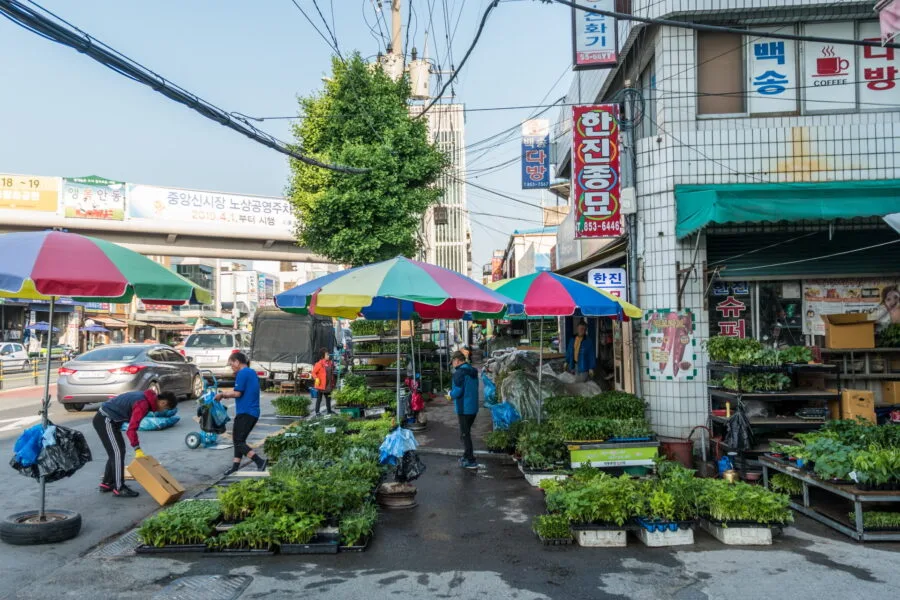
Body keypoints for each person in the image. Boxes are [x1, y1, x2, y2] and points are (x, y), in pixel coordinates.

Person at [93, 388, 176, 497]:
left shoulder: (146, 397)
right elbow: (131, 429)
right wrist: (137, 448)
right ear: (163, 402)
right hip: (106, 420)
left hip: (110, 420)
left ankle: (107, 483)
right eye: (165, 408)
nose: (162, 411)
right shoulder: (143, 404)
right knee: (117, 452)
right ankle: (119, 488)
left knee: (117, 451)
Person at [216, 352, 266, 475]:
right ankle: (235, 467)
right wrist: (226, 394)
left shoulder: (242, 373)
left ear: (237, 362)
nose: (231, 366)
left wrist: (222, 395)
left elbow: (238, 393)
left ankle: (259, 461)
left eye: (231, 363)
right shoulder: (251, 372)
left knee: (238, 441)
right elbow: (241, 391)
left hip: (246, 412)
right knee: (238, 440)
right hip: (252, 412)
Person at [450, 350, 479, 469]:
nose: (452, 364)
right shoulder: (473, 371)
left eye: (452, 362)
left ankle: (471, 460)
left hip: (464, 408)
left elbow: (457, 392)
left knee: (465, 434)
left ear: (457, 361)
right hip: (473, 407)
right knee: (465, 433)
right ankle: (466, 455)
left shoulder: (459, 373)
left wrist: (450, 394)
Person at [312, 348, 336, 415]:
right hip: (321, 385)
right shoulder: (319, 364)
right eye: (327, 355)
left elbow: (332, 372)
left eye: (328, 354)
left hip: (328, 384)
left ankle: (329, 411)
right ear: (323, 356)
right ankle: (317, 412)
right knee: (319, 399)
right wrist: (316, 378)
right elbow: (313, 372)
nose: (328, 356)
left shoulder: (330, 363)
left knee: (328, 399)